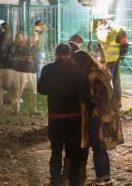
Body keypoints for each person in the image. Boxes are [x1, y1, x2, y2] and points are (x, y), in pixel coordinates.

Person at [38, 43, 87, 186]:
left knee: (56, 149)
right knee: (74, 151)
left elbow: (41, 90)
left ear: (55, 54)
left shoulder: (47, 69)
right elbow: (84, 94)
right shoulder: (79, 72)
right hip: (74, 117)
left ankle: (55, 179)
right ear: (70, 54)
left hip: (56, 116)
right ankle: (74, 180)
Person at [72, 49, 123, 186]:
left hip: (97, 115)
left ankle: (100, 180)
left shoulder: (91, 75)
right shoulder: (100, 72)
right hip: (108, 115)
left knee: (97, 148)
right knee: (102, 148)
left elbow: (95, 98)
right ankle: (106, 178)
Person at [95, 14, 129, 108]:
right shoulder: (100, 29)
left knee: (114, 82)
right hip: (104, 61)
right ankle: (110, 103)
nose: (103, 19)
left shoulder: (117, 29)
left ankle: (116, 104)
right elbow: (99, 45)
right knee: (108, 82)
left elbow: (124, 44)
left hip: (112, 60)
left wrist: (119, 57)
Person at [8, 32, 38, 115]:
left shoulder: (32, 46)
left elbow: (35, 57)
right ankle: (15, 109)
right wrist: (25, 59)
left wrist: (33, 60)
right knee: (18, 91)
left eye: (21, 37)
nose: (20, 39)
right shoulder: (15, 47)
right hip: (20, 71)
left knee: (33, 92)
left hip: (31, 71)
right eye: (18, 38)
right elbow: (12, 57)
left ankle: (33, 109)